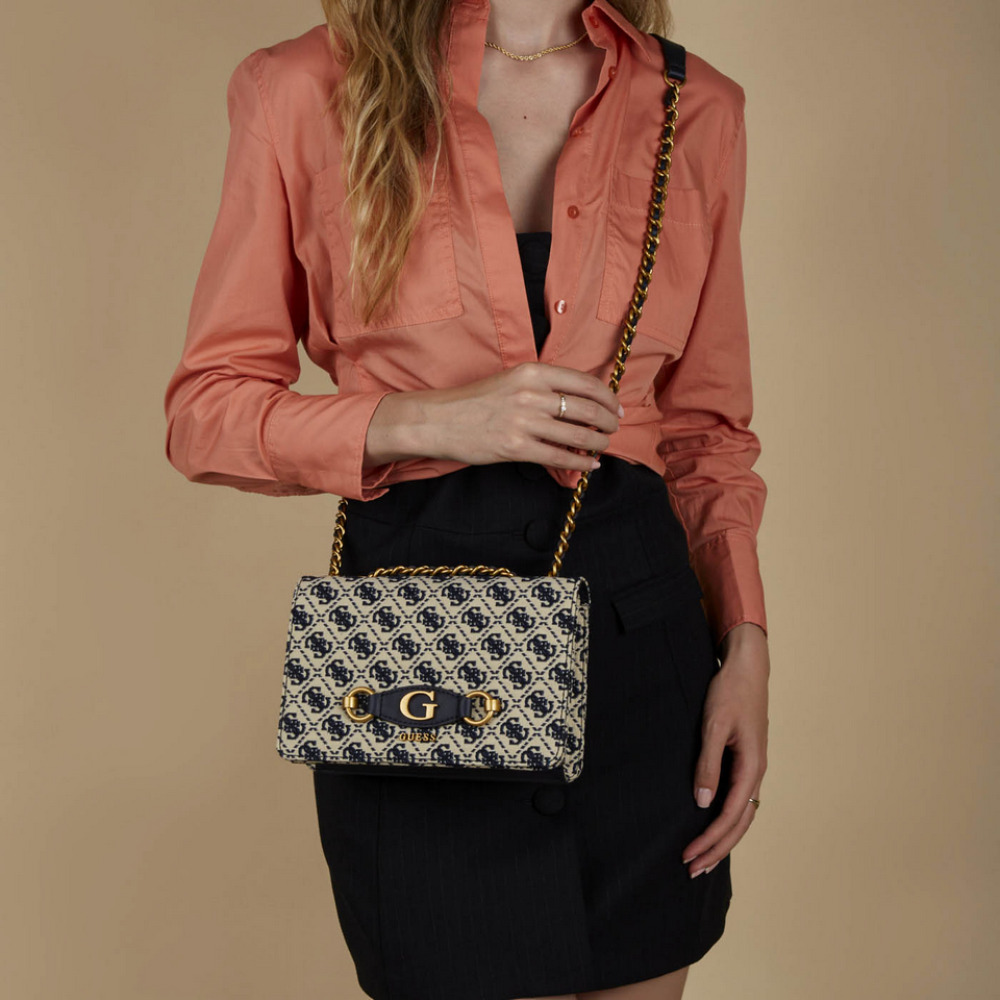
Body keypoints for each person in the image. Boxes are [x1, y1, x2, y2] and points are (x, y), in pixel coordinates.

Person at [163, 1, 771, 997]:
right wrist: (430, 421)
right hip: (418, 658)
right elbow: (205, 414)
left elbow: (707, 431)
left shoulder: (691, 103)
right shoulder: (303, 85)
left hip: (640, 645)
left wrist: (745, 642)